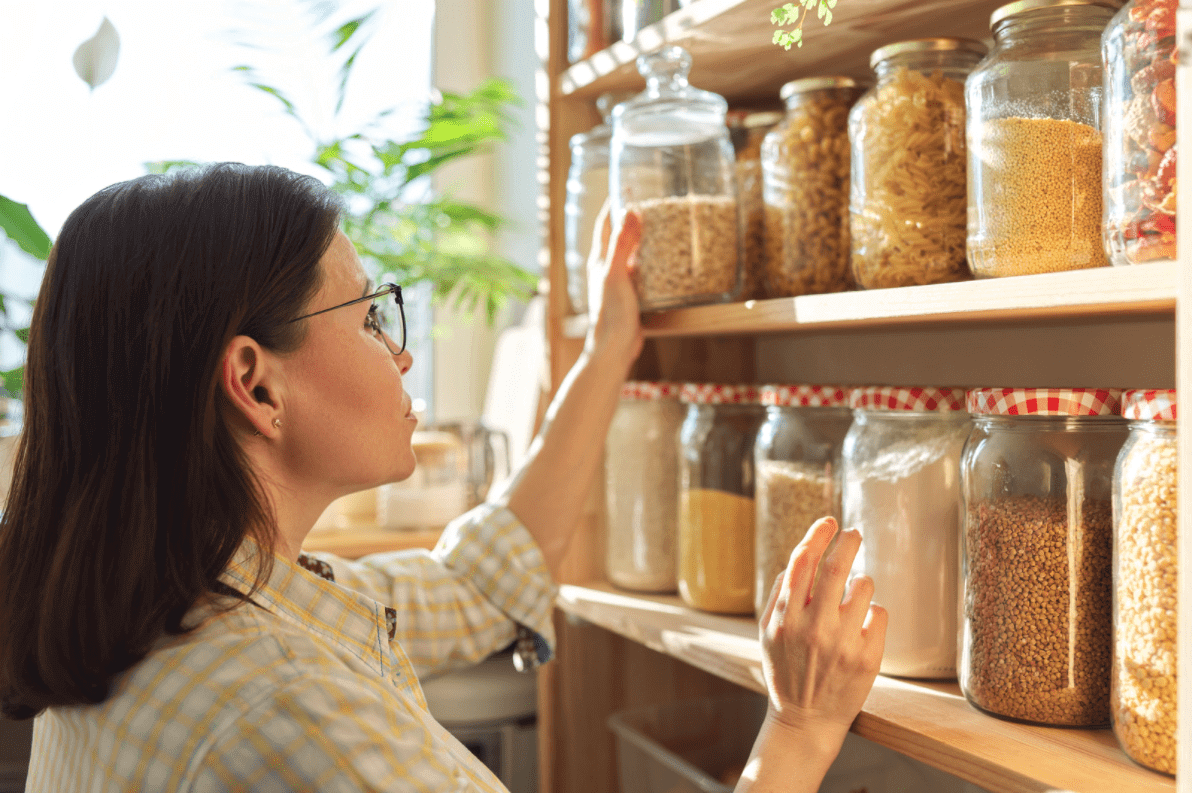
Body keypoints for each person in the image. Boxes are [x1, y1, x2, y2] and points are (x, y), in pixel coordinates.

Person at [0, 163, 886, 792]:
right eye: (369, 316)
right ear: (256, 382)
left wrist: (608, 347)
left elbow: (481, 578)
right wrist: (800, 729)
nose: (404, 350)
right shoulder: (288, 708)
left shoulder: (173, 603)